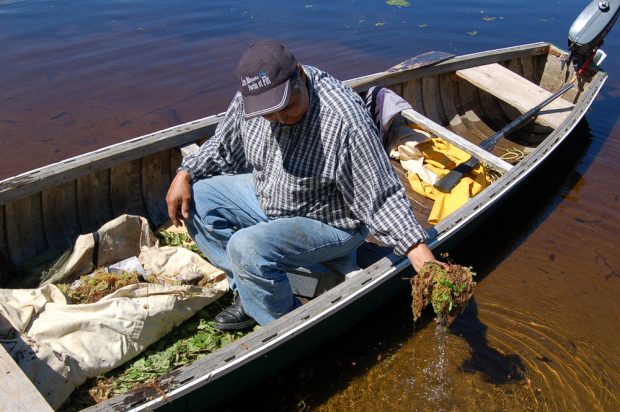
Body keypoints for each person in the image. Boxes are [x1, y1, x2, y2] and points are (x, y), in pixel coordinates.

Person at [165, 40, 438, 331]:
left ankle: (288, 326)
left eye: (288, 108)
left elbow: (379, 195)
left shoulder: (343, 118)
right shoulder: (254, 99)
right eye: (270, 114)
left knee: (245, 247)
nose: (281, 118)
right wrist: (185, 172)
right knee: (198, 198)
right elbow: (223, 146)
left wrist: (418, 250)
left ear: (299, 75)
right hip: (270, 194)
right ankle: (248, 291)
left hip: (330, 220)